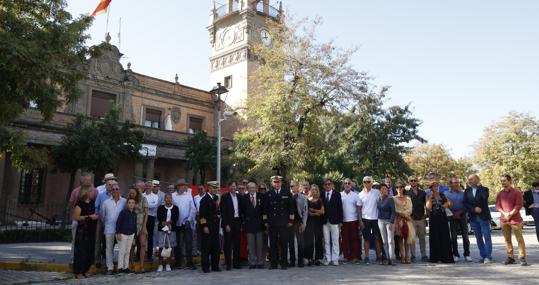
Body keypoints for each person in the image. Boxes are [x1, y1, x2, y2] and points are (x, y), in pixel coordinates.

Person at [263, 175, 295, 270]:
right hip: (272, 223)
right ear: (272, 183)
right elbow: (265, 209)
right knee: (273, 244)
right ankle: (274, 264)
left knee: (284, 244)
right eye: (275, 182)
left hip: (284, 223)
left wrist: (291, 220)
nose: (277, 184)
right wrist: (265, 221)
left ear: (281, 183)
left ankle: (284, 263)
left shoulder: (287, 193)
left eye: (278, 182)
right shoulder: (268, 194)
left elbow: (291, 208)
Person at [496, 174, 527, 266]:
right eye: (501, 181)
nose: (503, 182)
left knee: (519, 239)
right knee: (507, 240)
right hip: (504, 220)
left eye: (504, 180)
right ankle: (510, 257)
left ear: (510, 181)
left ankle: (522, 257)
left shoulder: (517, 192)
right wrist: (505, 214)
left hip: (515, 220)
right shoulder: (500, 193)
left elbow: (519, 205)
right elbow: (498, 206)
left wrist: (509, 214)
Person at [463, 174, 493, 264]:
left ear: (477, 179)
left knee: (487, 236)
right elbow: (465, 203)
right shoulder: (467, 190)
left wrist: (480, 187)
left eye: (471, 179)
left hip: (484, 217)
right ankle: (483, 256)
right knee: (478, 237)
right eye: (469, 179)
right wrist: (473, 209)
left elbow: (484, 197)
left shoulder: (484, 189)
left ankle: (488, 256)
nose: (469, 181)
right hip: (473, 217)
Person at [425, 175, 454, 263]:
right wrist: (430, 198)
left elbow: (450, 204)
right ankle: (435, 257)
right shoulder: (429, 195)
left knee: (444, 237)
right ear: (431, 188)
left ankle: (445, 257)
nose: (435, 188)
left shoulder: (442, 195)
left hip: (442, 217)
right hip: (433, 217)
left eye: (437, 186)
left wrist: (447, 204)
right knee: (435, 237)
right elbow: (428, 208)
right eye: (433, 186)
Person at [69, 173, 98, 261]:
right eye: (86, 180)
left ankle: (86, 258)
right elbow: (72, 203)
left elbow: (96, 204)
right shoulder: (75, 191)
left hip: (89, 221)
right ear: (81, 181)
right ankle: (74, 257)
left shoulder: (95, 191)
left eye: (89, 180)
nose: (88, 182)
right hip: (78, 219)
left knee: (88, 240)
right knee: (75, 239)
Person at [72, 186, 98, 278]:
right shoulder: (80, 203)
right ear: (86, 192)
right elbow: (76, 217)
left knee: (89, 250)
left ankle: (85, 270)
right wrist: (89, 216)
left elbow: (95, 213)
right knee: (81, 250)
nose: (92, 193)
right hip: (82, 230)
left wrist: (95, 216)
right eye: (91, 191)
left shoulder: (92, 203)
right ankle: (78, 272)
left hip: (91, 228)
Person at [100, 182, 126, 274]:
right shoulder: (105, 203)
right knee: (109, 249)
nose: (115, 191)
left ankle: (120, 267)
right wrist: (107, 223)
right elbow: (102, 216)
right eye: (113, 189)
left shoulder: (124, 201)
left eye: (116, 189)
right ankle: (109, 268)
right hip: (109, 228)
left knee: (122, 248)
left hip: (121, 230)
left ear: (119, 190)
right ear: (110, 191)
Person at [172, 178, 197, 270]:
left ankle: (189, 262)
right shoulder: (173, 196)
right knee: (177, 244)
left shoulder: (189, 195)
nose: (184, 187)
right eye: (182, 185)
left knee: (188, 243)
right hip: (176, 223)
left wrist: (189, 219)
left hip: (186, 223)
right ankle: (178, 262)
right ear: (178, 187)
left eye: (184, 185)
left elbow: (193, 209)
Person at [445, 177, 471, 262]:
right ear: (450, 184)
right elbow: (445, 205)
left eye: (457, 182)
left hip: (462, 216)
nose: (456, 184)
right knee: (453, 237)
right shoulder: (446, 194)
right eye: (454, 182)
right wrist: (453, 213)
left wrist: (459, 213)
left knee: (465, 236)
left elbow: (466, 205)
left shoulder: (463, 194)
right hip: (452, 217)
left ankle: (467, 254)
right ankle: (455, 254)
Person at [357, 176, 382, 264]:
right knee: (366, 239)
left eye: (368, 182)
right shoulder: (360, 195)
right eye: (365, 182)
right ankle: (366, 257)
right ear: (362, 183)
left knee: (377, 238)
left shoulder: (377, 192)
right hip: (365, 219)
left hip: (375, 219)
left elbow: (382, 201)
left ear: (371, 183)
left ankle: (379, 256)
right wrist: (360, 221)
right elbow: (359, 209)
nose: (366, 183)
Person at [241, 182, 265, 269]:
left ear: (256, 188)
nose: (252, 189)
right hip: (249, 224)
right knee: (251, 245)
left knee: (259, 245)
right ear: (247, 189)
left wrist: (264, 222)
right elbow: (242, 212)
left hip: (259, 224)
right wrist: (244, 223)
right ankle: (252, 262)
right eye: (250, 188)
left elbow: (264, 210)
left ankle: (260, 262)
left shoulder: (261, 197)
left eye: (253, 187)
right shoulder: (244, 198)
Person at [199, 181, 222, 273]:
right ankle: (205, 267)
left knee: (215, 247)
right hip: (208, 226)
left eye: (216, 188)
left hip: (215, 226)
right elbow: (202, 215)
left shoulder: (216, 198)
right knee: (206, 247)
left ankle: (215, 266)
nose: (215, 190)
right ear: (208, 188)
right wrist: (204, 226)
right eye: (213, 188)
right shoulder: (204, 199)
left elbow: (218, 211)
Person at [220, 181, 243, 270]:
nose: (234, 188)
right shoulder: (224, 197)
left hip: (237, 221)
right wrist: (226, 224)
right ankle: (228, 264)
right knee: (228, 244)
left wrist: (241, 222)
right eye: (232, 186)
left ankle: (236, 263)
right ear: (229, 187)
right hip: (228, 222)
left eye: (235, 186)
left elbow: (242, 210)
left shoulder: (239, 197)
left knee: (237, 244)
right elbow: (223, 211)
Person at [405, 175, 428, 262]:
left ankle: (424, 255)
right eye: (411, 180)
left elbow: (426, 205)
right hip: (411, 219)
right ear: (409, 182)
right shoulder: (406, 193)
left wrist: (426, 215)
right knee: (412, 239)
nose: (413, 182)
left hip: (421, 218)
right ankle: (413, 255)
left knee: (422, 238)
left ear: (417, 181)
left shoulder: (423, 193)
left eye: (415, 180)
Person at [94, 177, 115, 267]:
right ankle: (97, 260)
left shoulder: (117, 196)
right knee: (98, 241)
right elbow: (96, 207)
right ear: (105, 186)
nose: (110, 186)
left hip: (111, 222)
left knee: (110, 241)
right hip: (101, 221)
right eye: (108, 185)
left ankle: (108, 260)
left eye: (112, 185)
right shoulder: (101, 195)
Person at [321, 178, 343, 266]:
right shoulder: (321, 194)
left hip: (335, 221)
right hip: (324, 221)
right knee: (326, 241)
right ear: (323, 186)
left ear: (332, 185)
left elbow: (340, 208)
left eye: (329, 184)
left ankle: (335, 259)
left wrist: (340, 221)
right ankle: (328, 258)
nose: (327, 185)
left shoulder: (337, 194)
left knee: (335, 241)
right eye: (325, 184)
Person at [129, 185, 149, 273]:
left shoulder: (143, 199)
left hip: (141, 224)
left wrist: (144, 226)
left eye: (133, 193)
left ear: (136, 192)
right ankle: (132, 264)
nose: (131, 194)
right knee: (132, 245)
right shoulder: (129, 199)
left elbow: (146, 213)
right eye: (130, 193)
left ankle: (142, 265)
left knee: (143, 244)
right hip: (132, 224)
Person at [156, 193, 179, 272]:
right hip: (162, 229)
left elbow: (176, 217)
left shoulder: (175, 208)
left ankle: (168, 264)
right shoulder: (160, 208)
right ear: (164, 199)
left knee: (170, 247)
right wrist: (164, 223)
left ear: (171, 199)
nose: (168, 199)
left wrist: (170, 222)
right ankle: (160, 265)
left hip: (171, 229)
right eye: (167, 198)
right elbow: (159, 217)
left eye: (170, 198)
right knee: (161, 247)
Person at [393, 182, 414, 264]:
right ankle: (402, 255)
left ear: (403, 188)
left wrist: (404, 215)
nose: (399, 188)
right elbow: (394, 209)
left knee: (407, 239)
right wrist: (401, 214)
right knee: (400, 239)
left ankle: (407, 256)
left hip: (407, 220)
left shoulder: (408, 198)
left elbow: (410, 209)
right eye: (397, 187)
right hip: (397, 221)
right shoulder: (393, 198)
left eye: (401, 187)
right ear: (395, 188)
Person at [288, 180, 308, 267]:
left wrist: (304, 223)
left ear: (297, 187)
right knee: (291, 243)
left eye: (293, 186)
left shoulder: (303, 197)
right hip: (290, 223)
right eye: (290, 186)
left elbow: (305, 212)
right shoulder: (287, 197)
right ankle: (292, 261)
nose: (292, 188)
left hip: (299, 222)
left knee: (300, 242)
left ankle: (300, 261)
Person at [341, 178, 361, 264]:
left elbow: (359, 209)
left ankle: (355, 256)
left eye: (349, 183)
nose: (347, 184)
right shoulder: (340, 195)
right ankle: (346, 257)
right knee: (344, 240)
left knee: (354, 239)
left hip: (354, 220)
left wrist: (360, 221)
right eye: (345, 183)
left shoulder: (356, 195)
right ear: (343, 185)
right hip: (343, 221)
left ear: (351, 185)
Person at [304, 184, 325, 266]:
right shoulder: (307, 200)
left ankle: (318, 259)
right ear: (310, 191)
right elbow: (306, 212)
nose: (314, 191)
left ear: (318, 191)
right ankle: (309, 258)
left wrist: (313, 210)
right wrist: (317, 212)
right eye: (312, 189)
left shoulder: (320, 200)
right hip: (309, 223)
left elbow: (322, 212)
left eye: (315, 190)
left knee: (318, 240)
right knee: (309, 241)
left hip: (318, 223)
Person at [116, 198, 137, 274]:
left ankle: (126, 267)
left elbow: (135, 226)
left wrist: (135, 237)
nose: (131, 204)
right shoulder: (123, 212)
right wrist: (118, 233)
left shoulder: (134, 214)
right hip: (123, 234)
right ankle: (120, 267)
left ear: (134, 204)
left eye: (133, 203)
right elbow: (118, 223)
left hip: (131, 234)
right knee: (122, 251)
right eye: (129, 203)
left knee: (128, 251)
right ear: (127, 204)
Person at [377, 184, 396, 265]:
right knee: (384, 241)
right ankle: (386, 258)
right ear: (379, 190)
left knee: (390, 241)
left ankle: (392, 258)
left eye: (385, 188)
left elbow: (393, 211)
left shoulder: (390, 199)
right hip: (381, 221)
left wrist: (391, 222)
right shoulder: (378, 199)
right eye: (381, 189)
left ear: (387, 190)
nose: (383, 190)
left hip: (389, 221)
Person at [143, 181, 159, 261]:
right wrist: (148, 206)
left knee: (150, 237)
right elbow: (148, 205)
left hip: (151, 217)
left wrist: (145, 206)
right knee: (142, 235)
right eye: (147, 186)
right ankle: (140, 254)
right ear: (145, 187)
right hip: (142, 217)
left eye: (150, 186)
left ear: (152, 187)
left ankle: (149, 255)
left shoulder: (155, 196)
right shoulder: (142, 195)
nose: (149, 187)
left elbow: (154, 205)